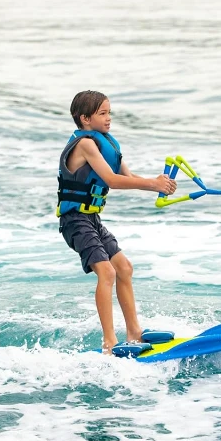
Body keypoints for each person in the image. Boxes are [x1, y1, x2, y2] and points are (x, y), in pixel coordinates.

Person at [57, 90, 177, 354]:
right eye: (102, 113)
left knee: (123, 267)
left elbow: (127, 176)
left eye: (109, 112)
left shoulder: (107, 142)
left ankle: (134, 333)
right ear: (85, 118)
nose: (109, 118)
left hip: (91, 218)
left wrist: (158, 184)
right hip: (74, 220)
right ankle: (109, 342)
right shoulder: (86, 144)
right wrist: (151, 183)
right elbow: (112, 181)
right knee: (107, 272)